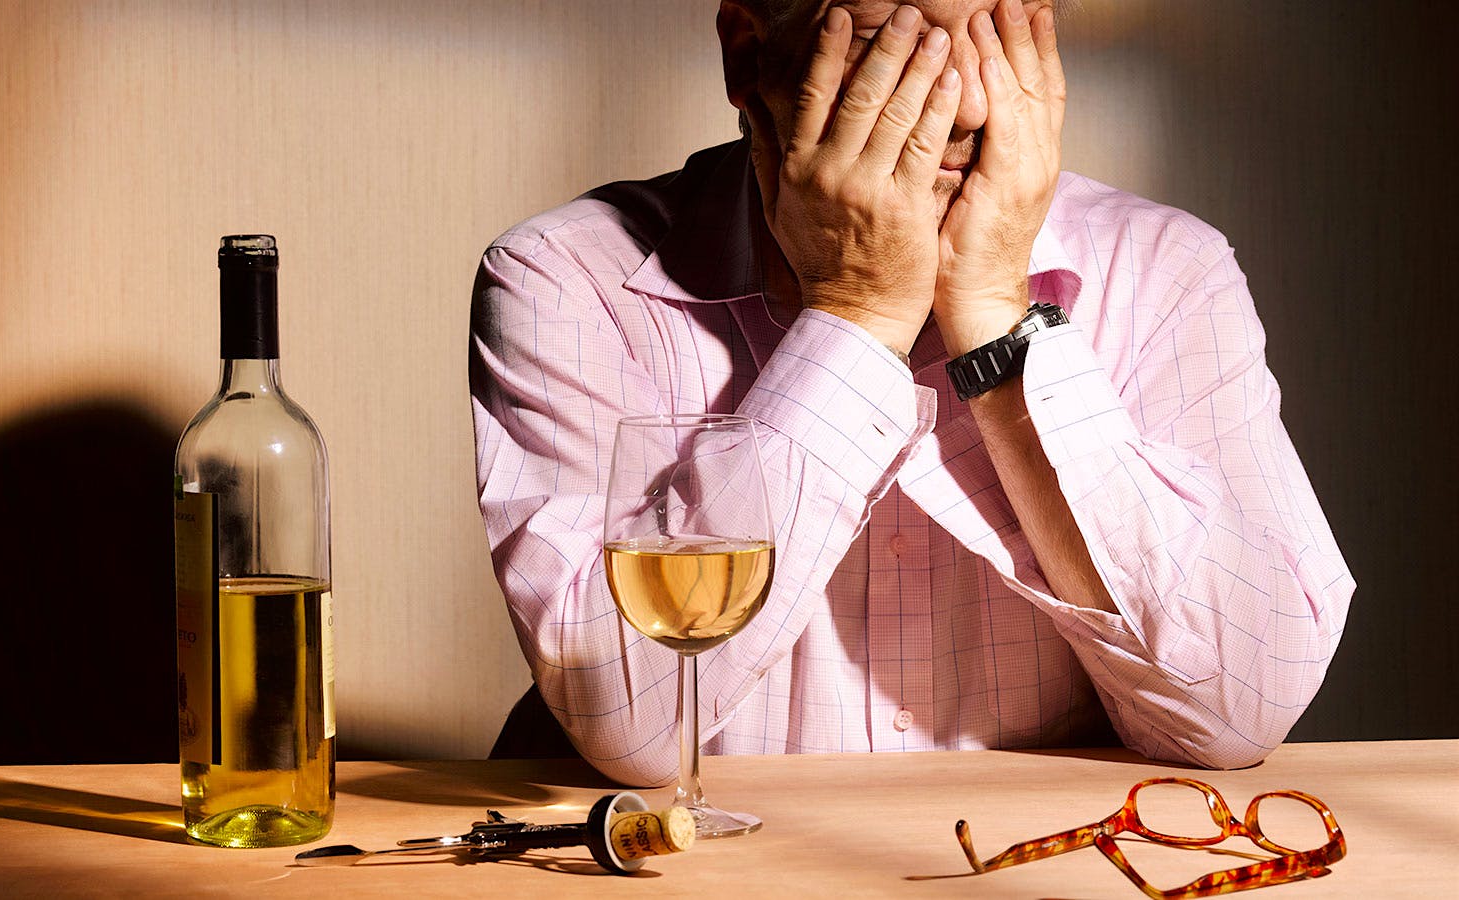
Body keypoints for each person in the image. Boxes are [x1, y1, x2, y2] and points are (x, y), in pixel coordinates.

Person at [468, 0, 1354, 787]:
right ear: (747, 55)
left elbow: (1238, 711)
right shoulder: (566, 277)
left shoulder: (1168, 269)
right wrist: (856, 312)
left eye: (996, 33)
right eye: (898, 42)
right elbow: (637, 726)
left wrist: (1001, 321)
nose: (963, 105)